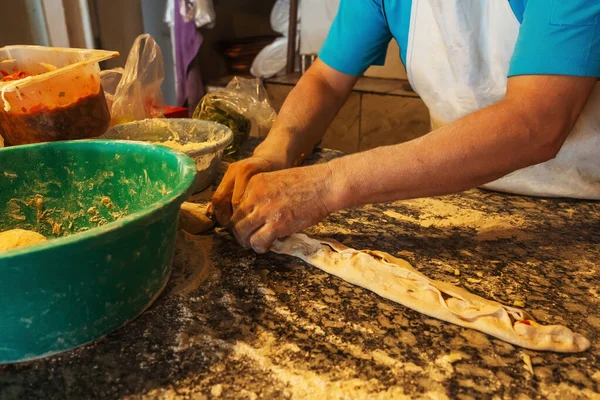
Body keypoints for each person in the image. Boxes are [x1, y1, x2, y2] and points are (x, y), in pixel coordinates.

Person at [211, 0, 600, 253]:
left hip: (582, 214)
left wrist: (326, 184)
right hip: (462, 193)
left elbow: (536, 124)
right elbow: (326, 81)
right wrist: (273, 153)